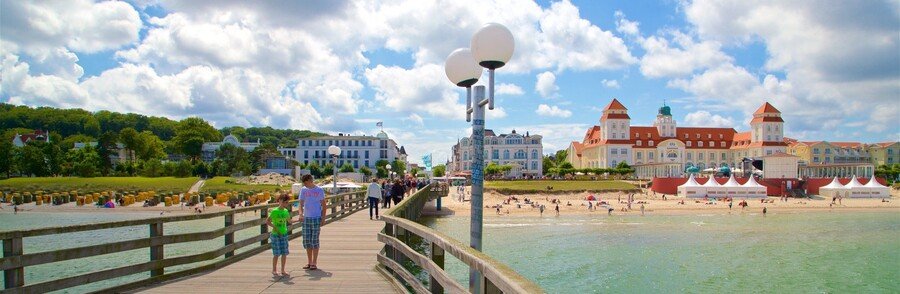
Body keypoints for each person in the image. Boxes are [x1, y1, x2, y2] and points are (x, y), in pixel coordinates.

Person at [298, 174, 327, 271]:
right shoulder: (303, 190)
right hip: (306, 218)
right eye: (304, 183)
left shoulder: (319, 190)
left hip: (316, 217)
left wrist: (323, 218)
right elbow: (301, 203)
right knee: (307, 241)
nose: (305, 184)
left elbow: (324, 204)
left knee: (314, 240)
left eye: (306, 182)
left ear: (310, 180)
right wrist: (300, 214)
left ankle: (314, 262)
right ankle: (309, 262)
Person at [267, 194, 292, 276]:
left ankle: (283, 270)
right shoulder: (274, 211)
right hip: (275, 234)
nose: (286, 204)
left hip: (284, 233)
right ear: (280, 201)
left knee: (284, 253)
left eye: (287, 202)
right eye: (285, 202)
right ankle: (274, 269)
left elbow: (289, 221)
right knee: (276, 253)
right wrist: (275, 227)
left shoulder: (285, 211)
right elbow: (268, 221)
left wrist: (299, 219)